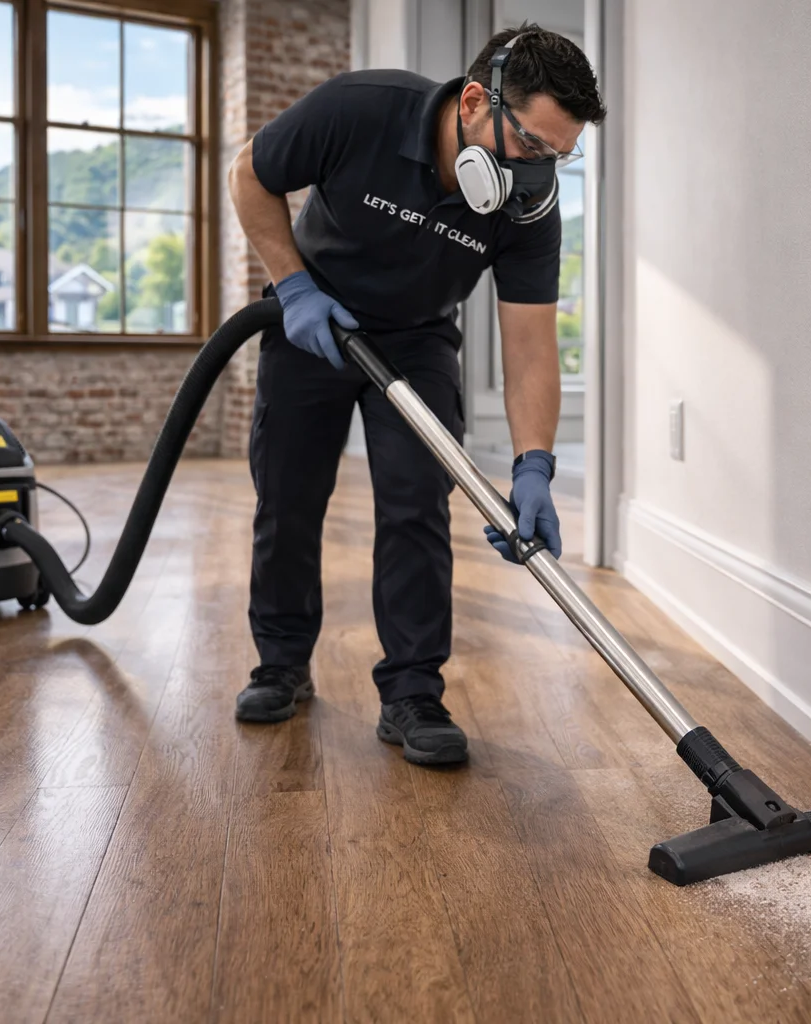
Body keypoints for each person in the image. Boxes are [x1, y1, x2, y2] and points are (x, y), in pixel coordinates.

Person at [226, 24, 606, 765]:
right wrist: (295, 286)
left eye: (559, 157)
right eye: (530, 146)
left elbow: (529, 345)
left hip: (418, 340)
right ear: (474, 103)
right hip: (313, 323)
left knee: (415, 505)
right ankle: (280, 663)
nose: (538, 173)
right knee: (289, 497)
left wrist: (535, 464)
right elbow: (250, 173)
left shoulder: (527, 210)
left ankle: (412, 691)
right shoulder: (359, 109)